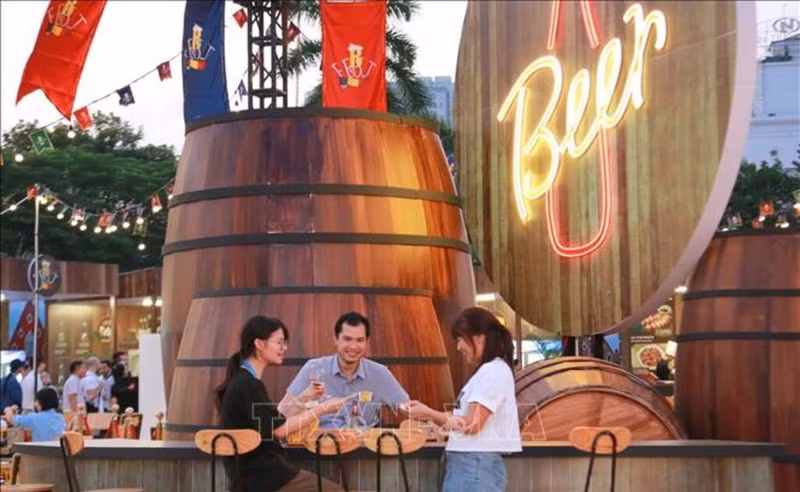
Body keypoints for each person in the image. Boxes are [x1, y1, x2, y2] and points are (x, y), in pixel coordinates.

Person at [216, 315, 348, 491]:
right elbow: (280, 430)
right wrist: (323, 408)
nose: (284, 348)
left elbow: (275, 419)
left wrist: (305, 397)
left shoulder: (242, 380)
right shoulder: (249, 384)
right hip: (265, 477)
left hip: (252, 475)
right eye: (279, 342)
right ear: (259, 344)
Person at [407, 307, 522, 492]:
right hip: (472, 466)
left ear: (479, 338)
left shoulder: (492, 371)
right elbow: (470, 421)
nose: (458, 347)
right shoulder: (489, 371)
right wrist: (444, 427)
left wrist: (429, 413)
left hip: (473, 468)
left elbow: (472, 424)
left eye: (460, 339)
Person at [278, 312, 409, 429]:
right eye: (347, 339)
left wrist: (428, 415)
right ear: (336, 339)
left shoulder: (380, 374)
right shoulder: (314, 368)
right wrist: (306, 398)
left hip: (363, 449)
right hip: (320, 446)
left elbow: (406, 407)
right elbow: (282, 413)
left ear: (367, 342)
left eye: (360, 340)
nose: (353, 346)